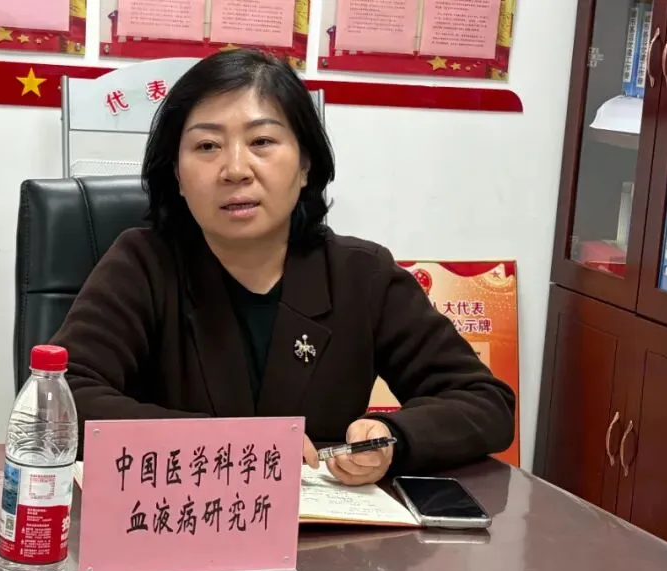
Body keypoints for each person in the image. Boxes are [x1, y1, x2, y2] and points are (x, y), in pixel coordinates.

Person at [49, 48, 515, 486]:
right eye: (207, 146)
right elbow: (60, 399)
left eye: (262, 141)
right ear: (177, 174)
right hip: (178, 525)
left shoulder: (361, 275)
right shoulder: (142, 264)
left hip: (324, 533)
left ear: (305, 164)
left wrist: (394, 439)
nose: (235, 169)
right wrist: (232, 447)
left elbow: (484, 402)